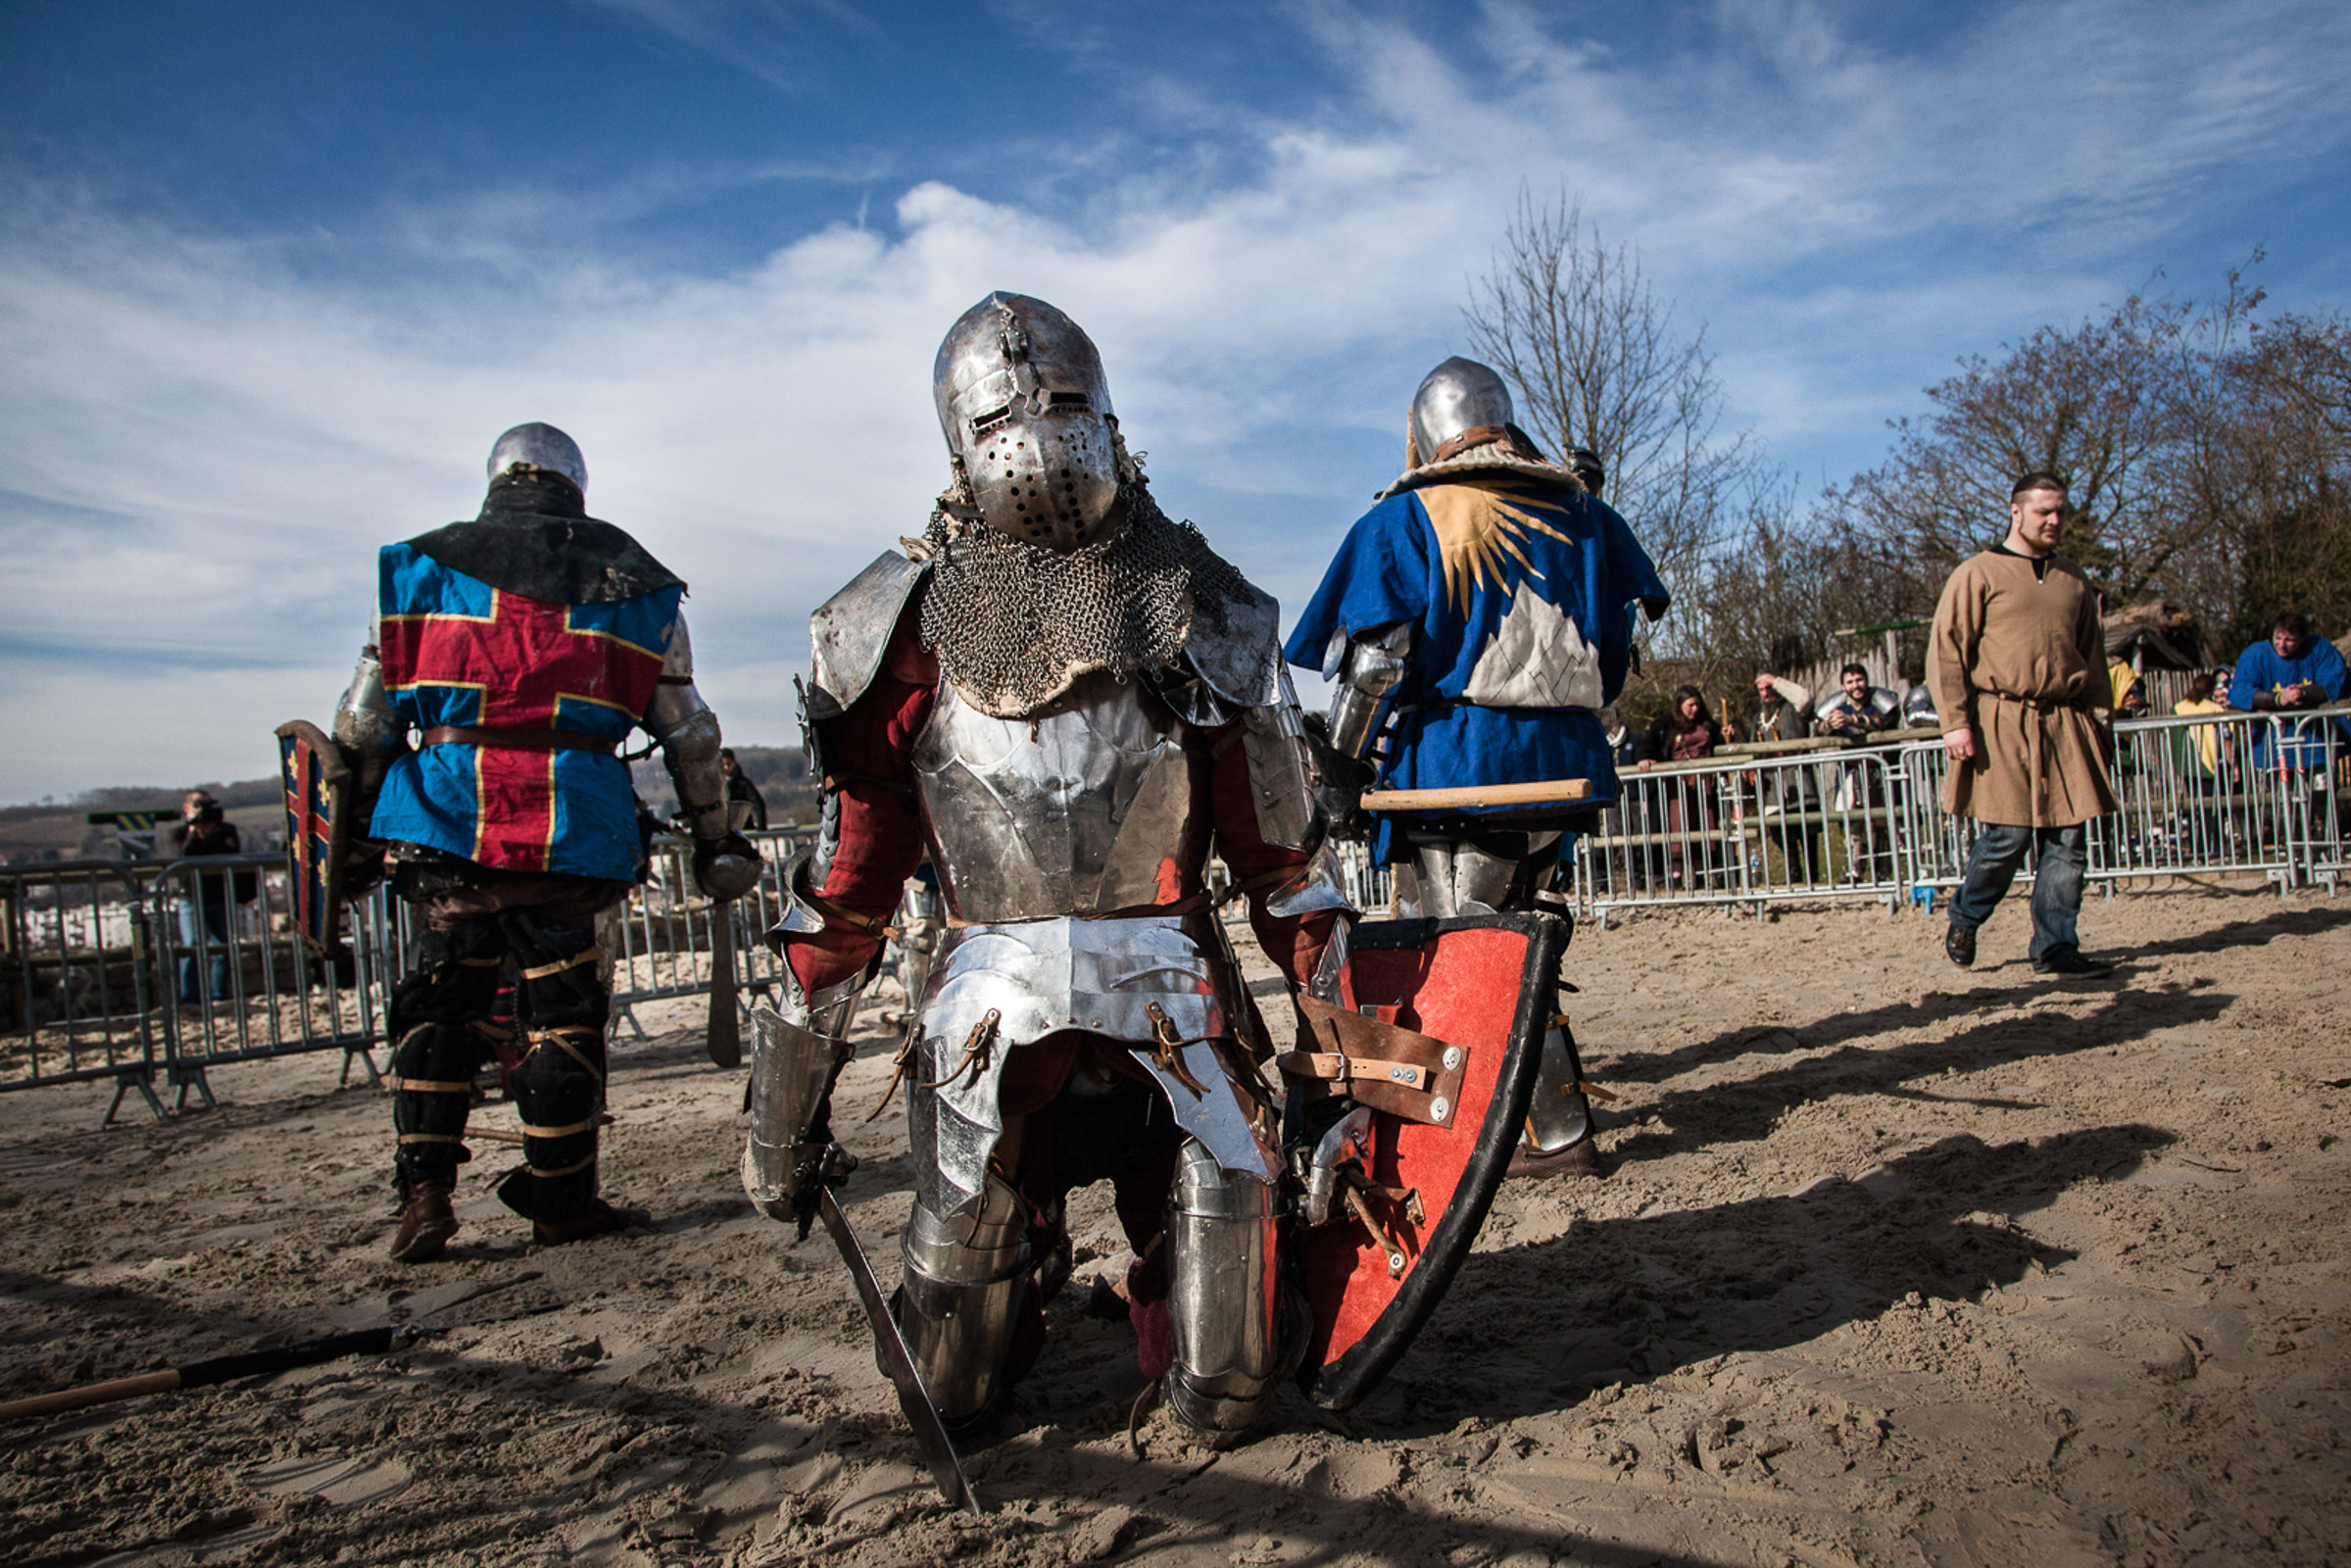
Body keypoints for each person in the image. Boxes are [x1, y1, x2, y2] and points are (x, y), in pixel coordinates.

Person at [744, 293, 1347, 1440]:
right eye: (1006, 413)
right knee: (944, 1397)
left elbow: (1285, 873)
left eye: (1063, 400)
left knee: (1230, 1389)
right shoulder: (898, 626)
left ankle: (1167, 1277)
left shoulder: (1200, 607)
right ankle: (1021, 1262)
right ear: (957, 444)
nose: (1039, 433)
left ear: (1107, 410)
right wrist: (779, 1121)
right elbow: (843, 897)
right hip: (985, 1028)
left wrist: (1340, 1067)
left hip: (1173, 1007)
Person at [333, 421, 761, 1263]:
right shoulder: (631, 584)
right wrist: (716, 839)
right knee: (563, 1018)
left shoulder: (422, 573)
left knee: (438, 1012)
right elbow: (691, 735)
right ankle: (562, 1202)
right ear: (577, 486)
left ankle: (424, 1199)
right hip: (572, 829)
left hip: (446, 827)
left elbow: (362, 722)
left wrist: (346, 841)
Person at [1284, 355, 1667, 1179]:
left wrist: (1343, 767)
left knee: (1466, 952)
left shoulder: (1414, 516)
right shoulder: (1588, 518)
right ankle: (1541, 1127)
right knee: (1519, 939)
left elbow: (1377, 663)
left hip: (1461, 768)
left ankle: (1516, 1137)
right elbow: (1620, 644)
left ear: (1423, 436)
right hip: (1564, 761)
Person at [1928, 471, 2117, 976]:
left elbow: (2092, 656)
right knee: (2008, 836)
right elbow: (1946, 649)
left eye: (2061, 512)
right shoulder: (1978, 572)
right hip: (2001, 717)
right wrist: (1955, 721)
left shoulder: (2074, 578)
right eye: (2043, 512)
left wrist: (2101, 717)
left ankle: (2055, 946)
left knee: (2068, 839)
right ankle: (1967, 914)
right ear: (2016, 512)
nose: (2054, 521)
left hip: (2064, 720)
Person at [2228, 611, 2349, 770]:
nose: (2281, 644)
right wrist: (2277, 698)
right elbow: (2240, 691)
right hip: (2271, 748)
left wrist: (2305, 692)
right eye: (2277, 638)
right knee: (2278, 792)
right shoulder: (2256, 654)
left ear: (2301, 638)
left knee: (2321, 791)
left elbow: (2335, 680)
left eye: (2289, 640)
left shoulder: (2319, 648)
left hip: (2315, 744)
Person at [170, 790, 243, 1003]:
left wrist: (209, 835)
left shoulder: (225, 830)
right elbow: (182, 857)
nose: (204, 810)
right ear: (186, 808)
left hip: (220, 895)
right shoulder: (178, 833)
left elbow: (230, 855)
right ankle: (189, 997)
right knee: (192, 946)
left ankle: (220, 994)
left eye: (207, 805)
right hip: (191, 896)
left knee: (223, 947)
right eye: (198, 805)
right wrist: (195, 833)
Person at [1749, 672, 1820, 884]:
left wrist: (1776, 682)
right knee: (1782, 836)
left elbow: (1805, 698)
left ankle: (1813, 879)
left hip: (1798, 780)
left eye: (1769, 688)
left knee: (1807, 834)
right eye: (1762, 689)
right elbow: (1753, 748)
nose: (1766, 693)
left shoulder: (1793, 709)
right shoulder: (1758, 718)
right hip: (1772, 788)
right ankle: (1794, 878)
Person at [720, 747, 768, 831]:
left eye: (728, 764)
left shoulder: (743, 784)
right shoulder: (713, 785)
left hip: (743, 830)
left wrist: (761, 830)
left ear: (734, 763)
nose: (726, 768)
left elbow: (759, 805)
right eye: (723, 765)